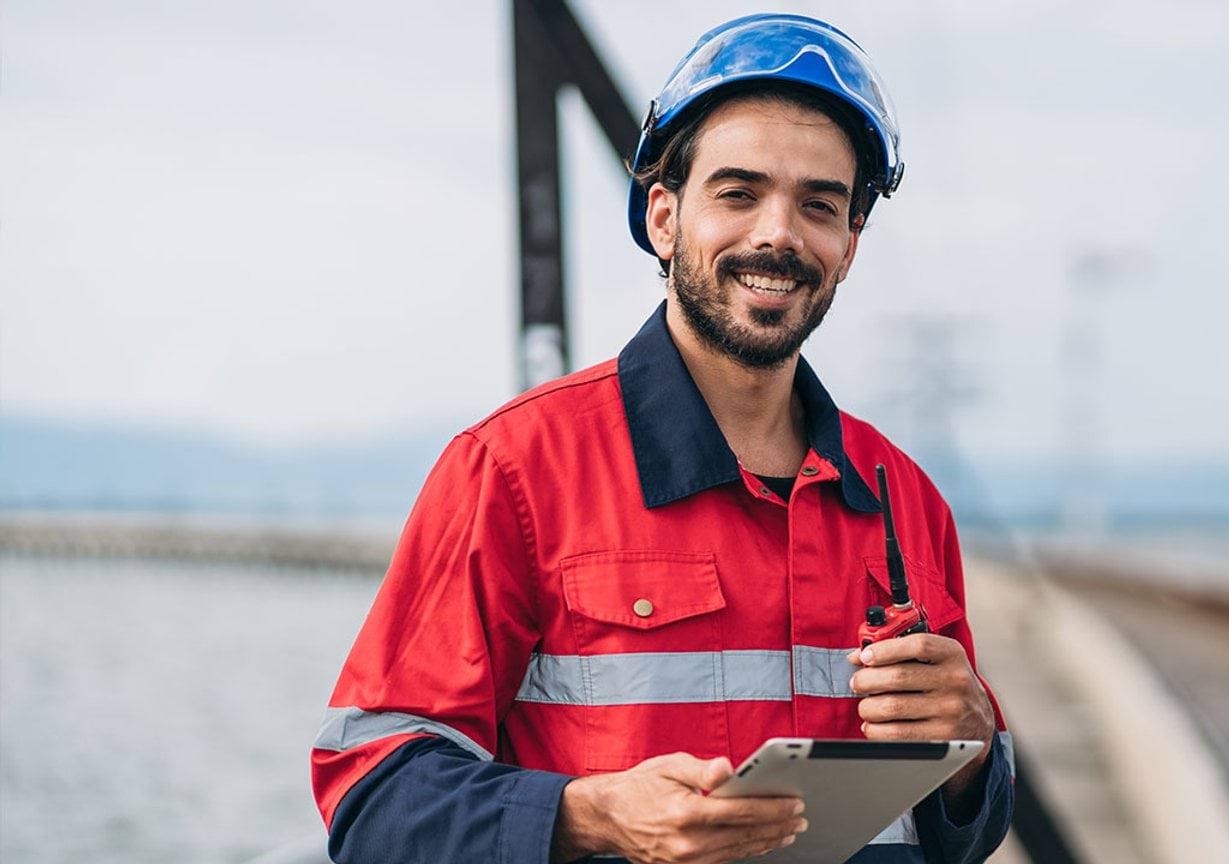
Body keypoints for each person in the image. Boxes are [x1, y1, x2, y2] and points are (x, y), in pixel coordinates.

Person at [311, 13, 1014, 863]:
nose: (778, 234)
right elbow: (372, 795)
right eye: (738, 193)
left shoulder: (902, 496)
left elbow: (954, 834)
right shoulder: (515, 470)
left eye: (818, 205)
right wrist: (588, 814)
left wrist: (973, 748)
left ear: (850, 244)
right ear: (664, 216)